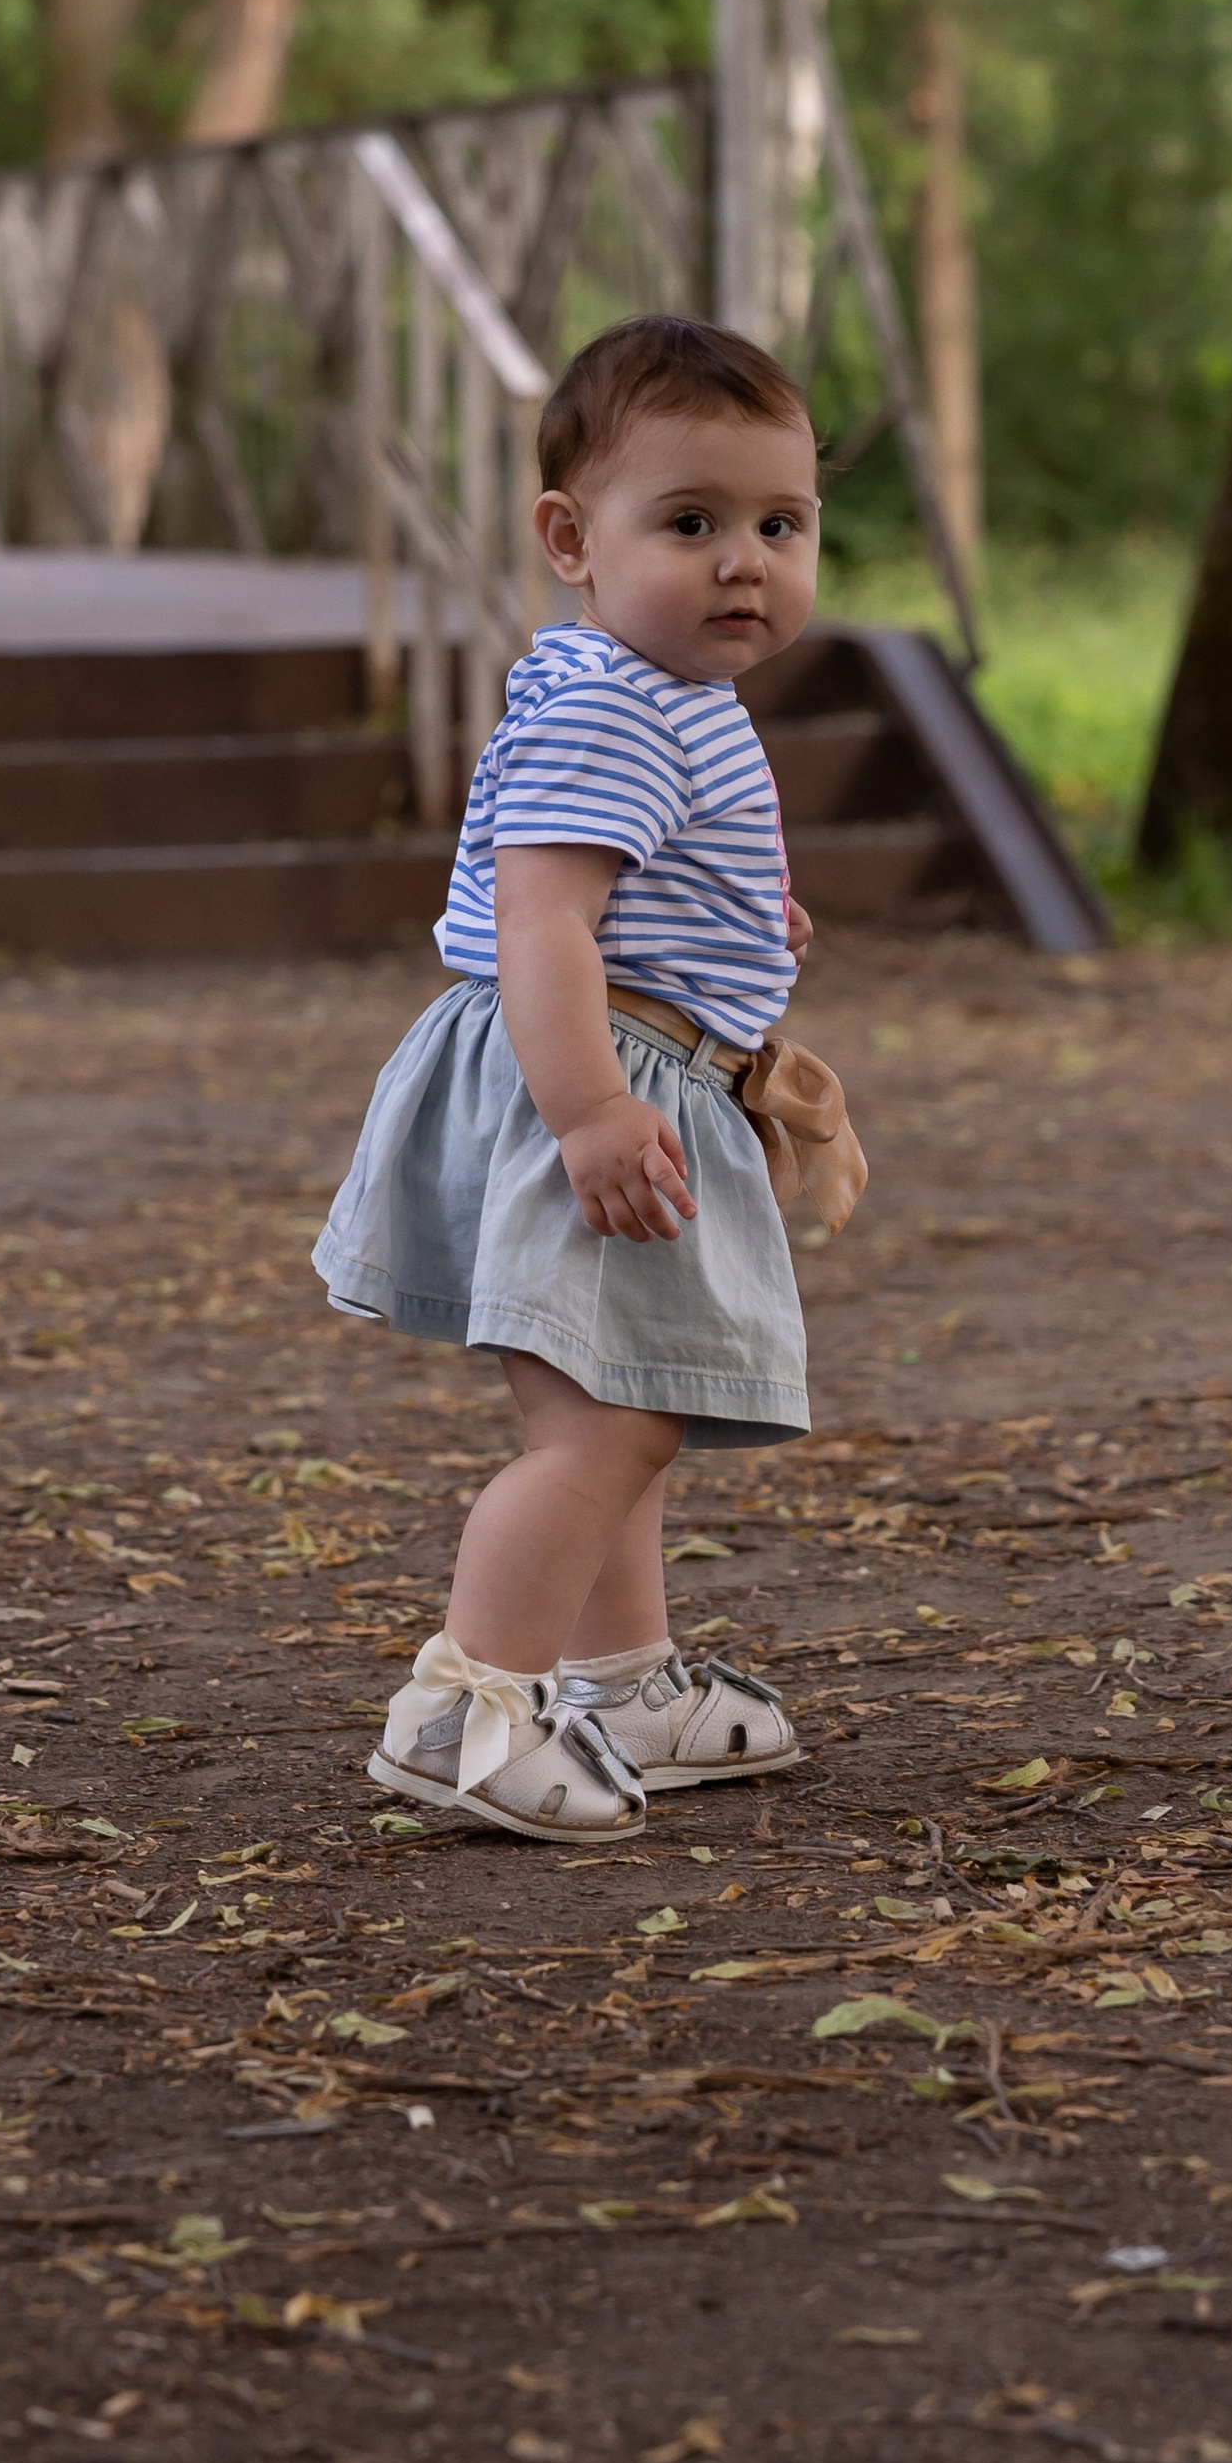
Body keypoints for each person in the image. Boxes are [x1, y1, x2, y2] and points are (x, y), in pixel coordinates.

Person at [313, 312, 854, 1842]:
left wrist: (743, 920)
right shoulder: (620, 700)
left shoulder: (652, 693)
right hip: (594, 1077)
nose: (744, 561)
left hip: (628, 1063)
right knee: (603, 1431)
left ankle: (623, 1685)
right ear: (572, 540)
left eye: (782, 524)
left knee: (633, 1399)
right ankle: (468, 1710)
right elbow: (540, 917)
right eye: (690, 523)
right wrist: (592, 1114)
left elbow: (625, 884)